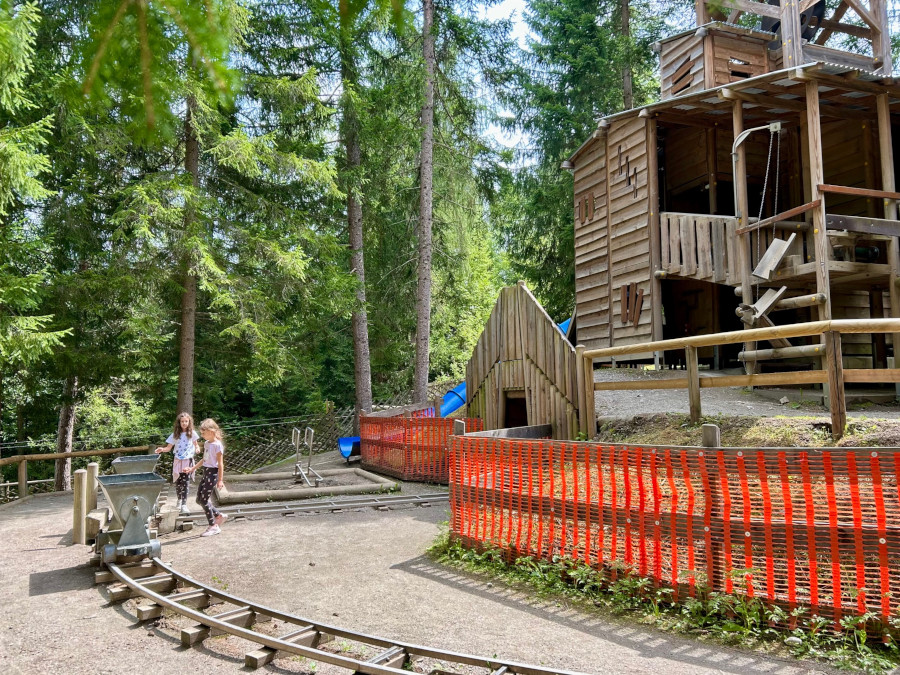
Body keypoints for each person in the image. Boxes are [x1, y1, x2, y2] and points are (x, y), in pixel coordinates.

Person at [186, 418, 228, 537]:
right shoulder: (207, 444)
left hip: (212, 474)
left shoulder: (217, 445)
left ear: (211, 431)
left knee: (204, 500)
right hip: (206, 472)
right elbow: (204, 459)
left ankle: (213, 526)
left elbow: (220, 464)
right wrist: (192, 468)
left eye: (204, 433)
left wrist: (220, 480)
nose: (202, 435)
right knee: (199, 500)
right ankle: (219, 515)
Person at [155, 412, 200, 515]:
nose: (184, 423)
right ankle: (179, 500)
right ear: (179, 423)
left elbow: (196, 445)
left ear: (189, 422)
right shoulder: (175, 434)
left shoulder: (192, 433)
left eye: (186, 421)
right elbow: (168, 448)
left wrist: (197, 449)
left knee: (186, 481)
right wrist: (162, 449)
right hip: (178, 460)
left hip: (187, 460)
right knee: (178, 482)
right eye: (182, 421)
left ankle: (184, 504)